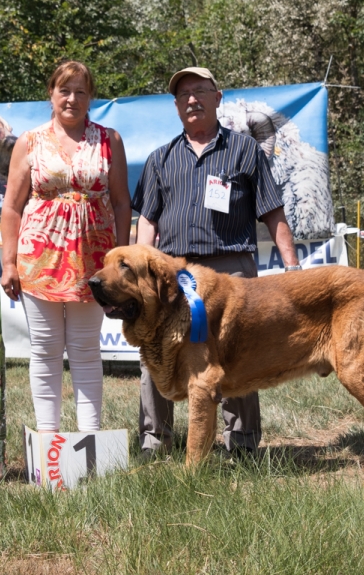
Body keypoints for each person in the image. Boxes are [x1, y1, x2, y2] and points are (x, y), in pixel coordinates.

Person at [131, 66, 301, 458]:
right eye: (183, 94)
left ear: (217, 96)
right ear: (175, 106)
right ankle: (155, 441)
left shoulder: (245, 151)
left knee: (237, 354)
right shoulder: (161, 158)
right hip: (176, 278)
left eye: (200, 91)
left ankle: (240, 443)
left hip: (231, 271)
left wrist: (292, 271)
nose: (192, 99)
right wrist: (145, 274)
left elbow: (273, 213)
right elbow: (148, 222)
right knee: (156, 354)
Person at [1, 60, 131, 433]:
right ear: (51, 94)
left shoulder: (110, 140)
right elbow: (11, 206)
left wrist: (120, 263)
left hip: (95, 263)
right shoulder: (29, 142)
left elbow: (122, 203)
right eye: (65, 90)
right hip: (38, 262)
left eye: (81, 91)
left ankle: (90, 440)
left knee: (87, 351)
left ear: (91, 97)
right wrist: (8, 263)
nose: (72, 98)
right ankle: (49, 440)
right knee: (44, 351)